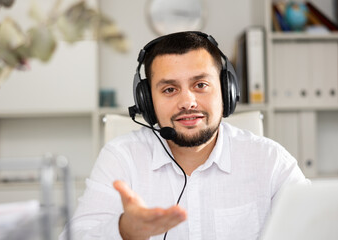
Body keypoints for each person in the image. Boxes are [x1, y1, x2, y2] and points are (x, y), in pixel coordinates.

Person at [59, 31, 309, 240]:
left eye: (200, 85)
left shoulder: (271, 160)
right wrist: (123, 230)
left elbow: (316, 229)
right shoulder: (122, 157)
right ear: (147, 102)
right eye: (169, 89)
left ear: (226, 90)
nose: (188, 102)